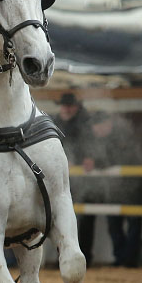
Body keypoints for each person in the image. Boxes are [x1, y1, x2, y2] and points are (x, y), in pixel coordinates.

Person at [89, 111, 142, 267]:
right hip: (114, 188)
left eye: (98, 126)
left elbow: (120, 157)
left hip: (132, 187)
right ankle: (121, 258)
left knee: (132, 225)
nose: (95, 130)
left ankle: (129, 260)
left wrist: (97, 163)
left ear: (107, 124)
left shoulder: (122, 136)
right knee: (115, 226)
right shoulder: (101, 140)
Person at [54, 92, 96, 265]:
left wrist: (86, 157)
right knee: (63, 220)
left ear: (76, 107)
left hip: (81, 179)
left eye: (68, 105)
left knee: (83, 219)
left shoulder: (85, 121)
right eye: (64, 105)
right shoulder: (57, 121)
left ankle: (83, 256)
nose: (66, 109)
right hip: (65, 178)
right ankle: (65, 258)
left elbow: (91, 144)